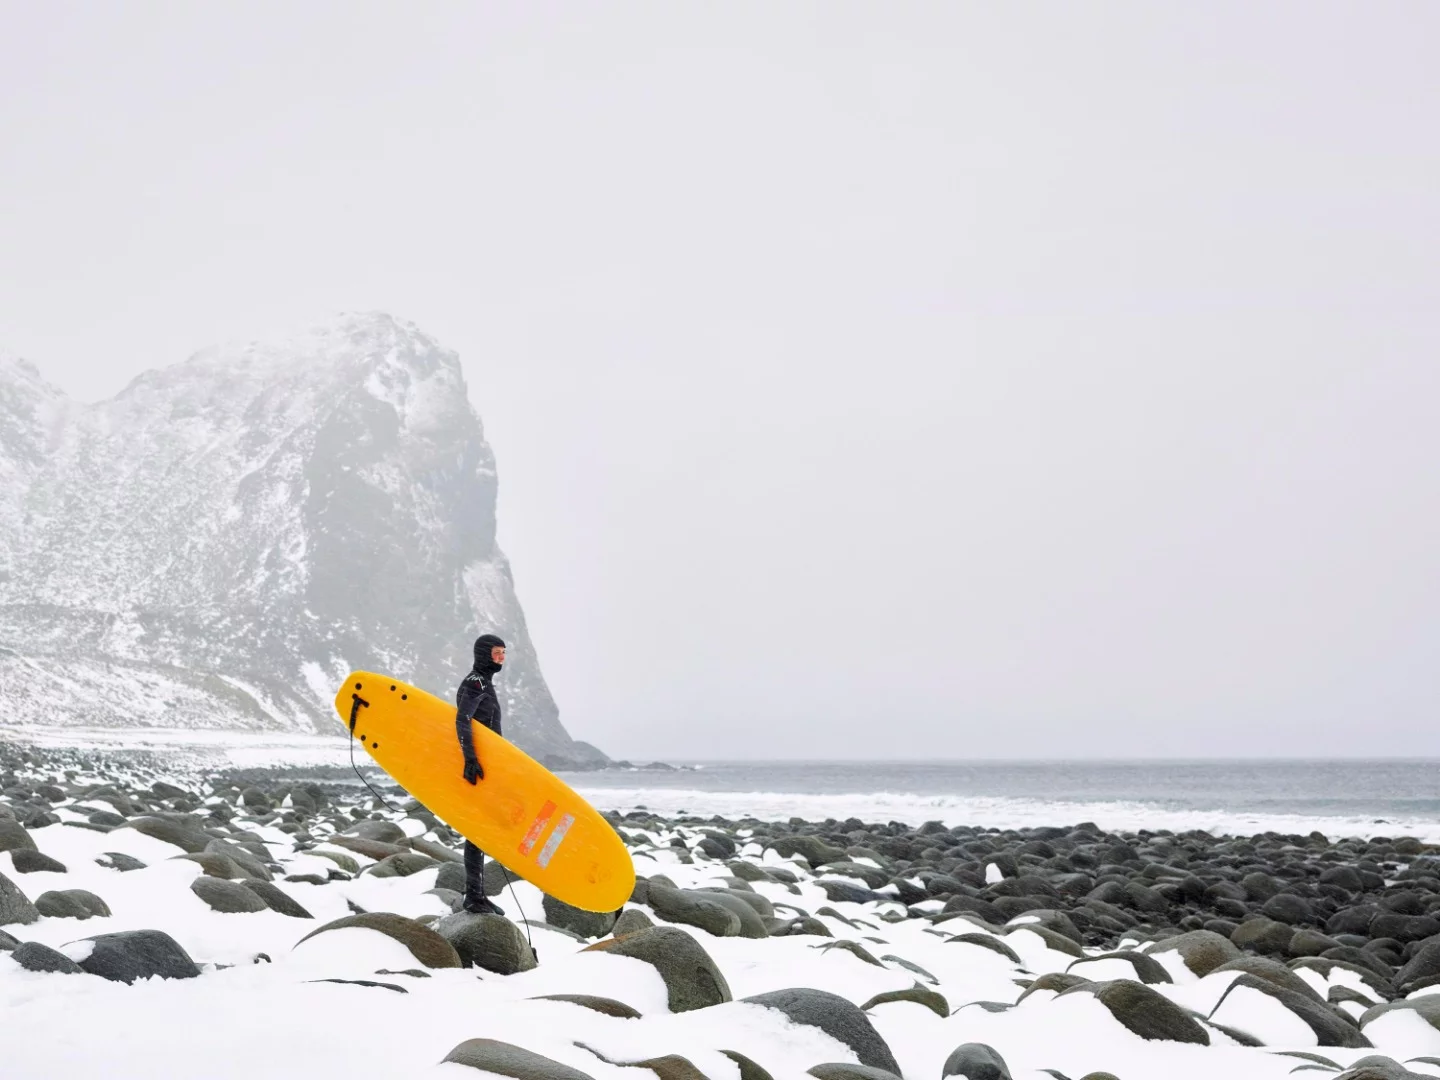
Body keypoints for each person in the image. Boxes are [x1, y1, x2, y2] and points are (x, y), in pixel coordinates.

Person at [455, 632, 507, 915]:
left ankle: (477, 894)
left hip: (488, 766)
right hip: (479, 768)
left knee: (480, 830)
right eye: (497, 652)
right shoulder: (475, 682)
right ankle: (473, 896)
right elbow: (462, 718)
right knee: (477, 830)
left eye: (504, 653)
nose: (501, 658)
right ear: (484, 653)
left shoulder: (484, 682)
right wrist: (470, 759)